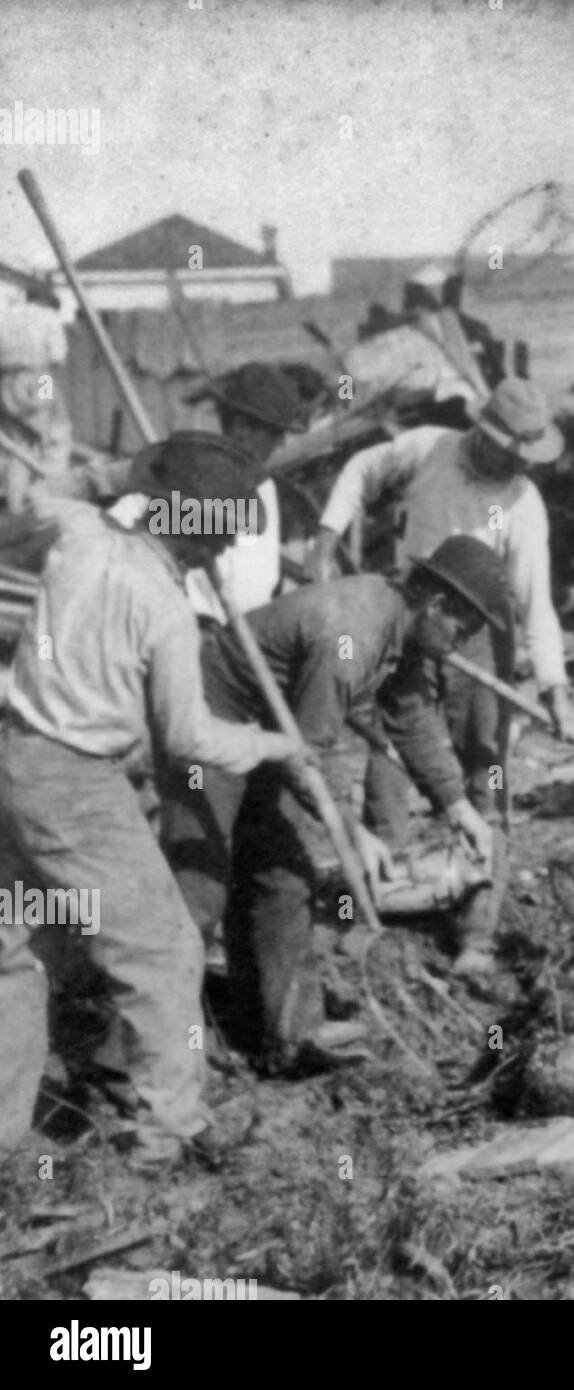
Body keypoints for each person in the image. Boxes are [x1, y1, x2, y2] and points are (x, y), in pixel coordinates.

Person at [0, 432, 301, 1163]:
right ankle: (168, 1131)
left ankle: (5, 1138)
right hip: (75, 787)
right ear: (191, 528)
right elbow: (189, 738)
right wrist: (271, 745)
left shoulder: (80, 531)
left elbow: (38, 497)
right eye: (219, 535)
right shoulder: (162, 606)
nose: (221, 553)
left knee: (19, 951)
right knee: (162, 951)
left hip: (13, 760)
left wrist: (116, 468)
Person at [159, 535, 507, 1071]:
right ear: (437, 604)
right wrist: (351, 829)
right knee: (201, 883)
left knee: (283, 872)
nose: (459, 645)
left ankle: (283, 1037)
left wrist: (458, 807)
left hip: (278, 729)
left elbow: (410, 714)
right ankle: (147, 1055)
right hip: (213, 714)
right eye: (461, 630)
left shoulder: (405, 628)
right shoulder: (352, 633)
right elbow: (308, 757)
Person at [305, 375, 574, 970]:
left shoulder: (523, 503)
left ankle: (476, 928)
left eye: (525, 455)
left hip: (480, 638)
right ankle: (378, 905)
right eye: (510, 450)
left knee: (484, 768)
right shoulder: (428, 448)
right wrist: (325, 540)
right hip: (408, 617)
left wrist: (552, 682)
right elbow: (358, 472)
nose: (516, 462)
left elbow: (535, 601)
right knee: (388, 756)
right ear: (486, 433)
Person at [48, 360, 304, 622]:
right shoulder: (179, 471)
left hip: (238, 629)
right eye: (275, 434)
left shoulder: (261, 487)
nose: (281, 444)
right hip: (181, 622)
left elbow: (254, 579)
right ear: (242, 426)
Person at [0, 301, 72, 511]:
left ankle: (15, 508)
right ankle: (49, 501)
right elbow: (58, 356)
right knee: (52, 438)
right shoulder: (49, 315)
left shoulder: (4, 315)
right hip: (41, 377)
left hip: (7, 381)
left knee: (18, 444)